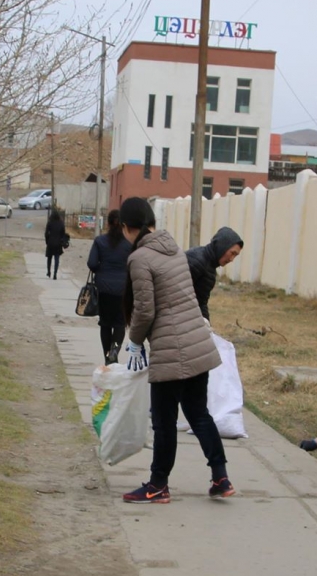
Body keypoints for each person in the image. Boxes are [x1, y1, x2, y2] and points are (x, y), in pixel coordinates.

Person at [117, 196, 234, 503]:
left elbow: (144, 309)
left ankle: (157, 484)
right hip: (197, 341)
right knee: (198, 412)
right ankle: (221, 476)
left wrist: (134, 341)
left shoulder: (140, 258)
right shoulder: (175, 250)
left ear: (128, 228)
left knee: (164, 420)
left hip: (172, 348)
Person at [87, 208, 133, 365]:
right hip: (123, 290)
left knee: (105, 323)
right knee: (120, 323)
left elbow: (92, 263)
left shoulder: (100, 241)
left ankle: (107, 357)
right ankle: (114, 350)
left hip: (104, 289)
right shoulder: (129, 244)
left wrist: (102, 269)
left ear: (108, 223)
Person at [185, 226, 244, 321]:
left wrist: (206, 323)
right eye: (232, 253)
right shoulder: (197, 260)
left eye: (235, 255)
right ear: (222, 246)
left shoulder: (210, 267)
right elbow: (178, 295)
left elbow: (201, 301)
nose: (232, 259)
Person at [44, 208, 70, 279]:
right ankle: (55, 273)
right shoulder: (61, 223)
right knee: (57, 259)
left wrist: (47, 241)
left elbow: (46, 233)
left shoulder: (50, 222)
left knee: (49, 258)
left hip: (50, 243)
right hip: (58, 243)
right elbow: (63, 234)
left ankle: (49, 272)